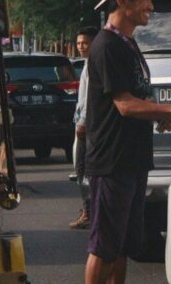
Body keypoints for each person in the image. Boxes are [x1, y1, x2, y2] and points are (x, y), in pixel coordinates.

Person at [84, 0, 171, 284]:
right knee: (104, 247)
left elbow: (136, 100)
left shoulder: (128, 44)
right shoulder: (107, 45)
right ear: (122, 0)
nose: (150, 6)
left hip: (133, 159)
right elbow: (124, 104)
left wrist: (160, 115)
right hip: (113, 161)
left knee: (122, 246)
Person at [69, 26, 100, 229]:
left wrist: (82, 122)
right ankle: (88, 209)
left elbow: (89, 98)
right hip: (84, 123)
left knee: (83, 169)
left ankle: (89, 211)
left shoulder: (93, 65)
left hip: (87, 125)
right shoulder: (89, 64)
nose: (81, 47)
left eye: (85, 43)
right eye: (79, 43)